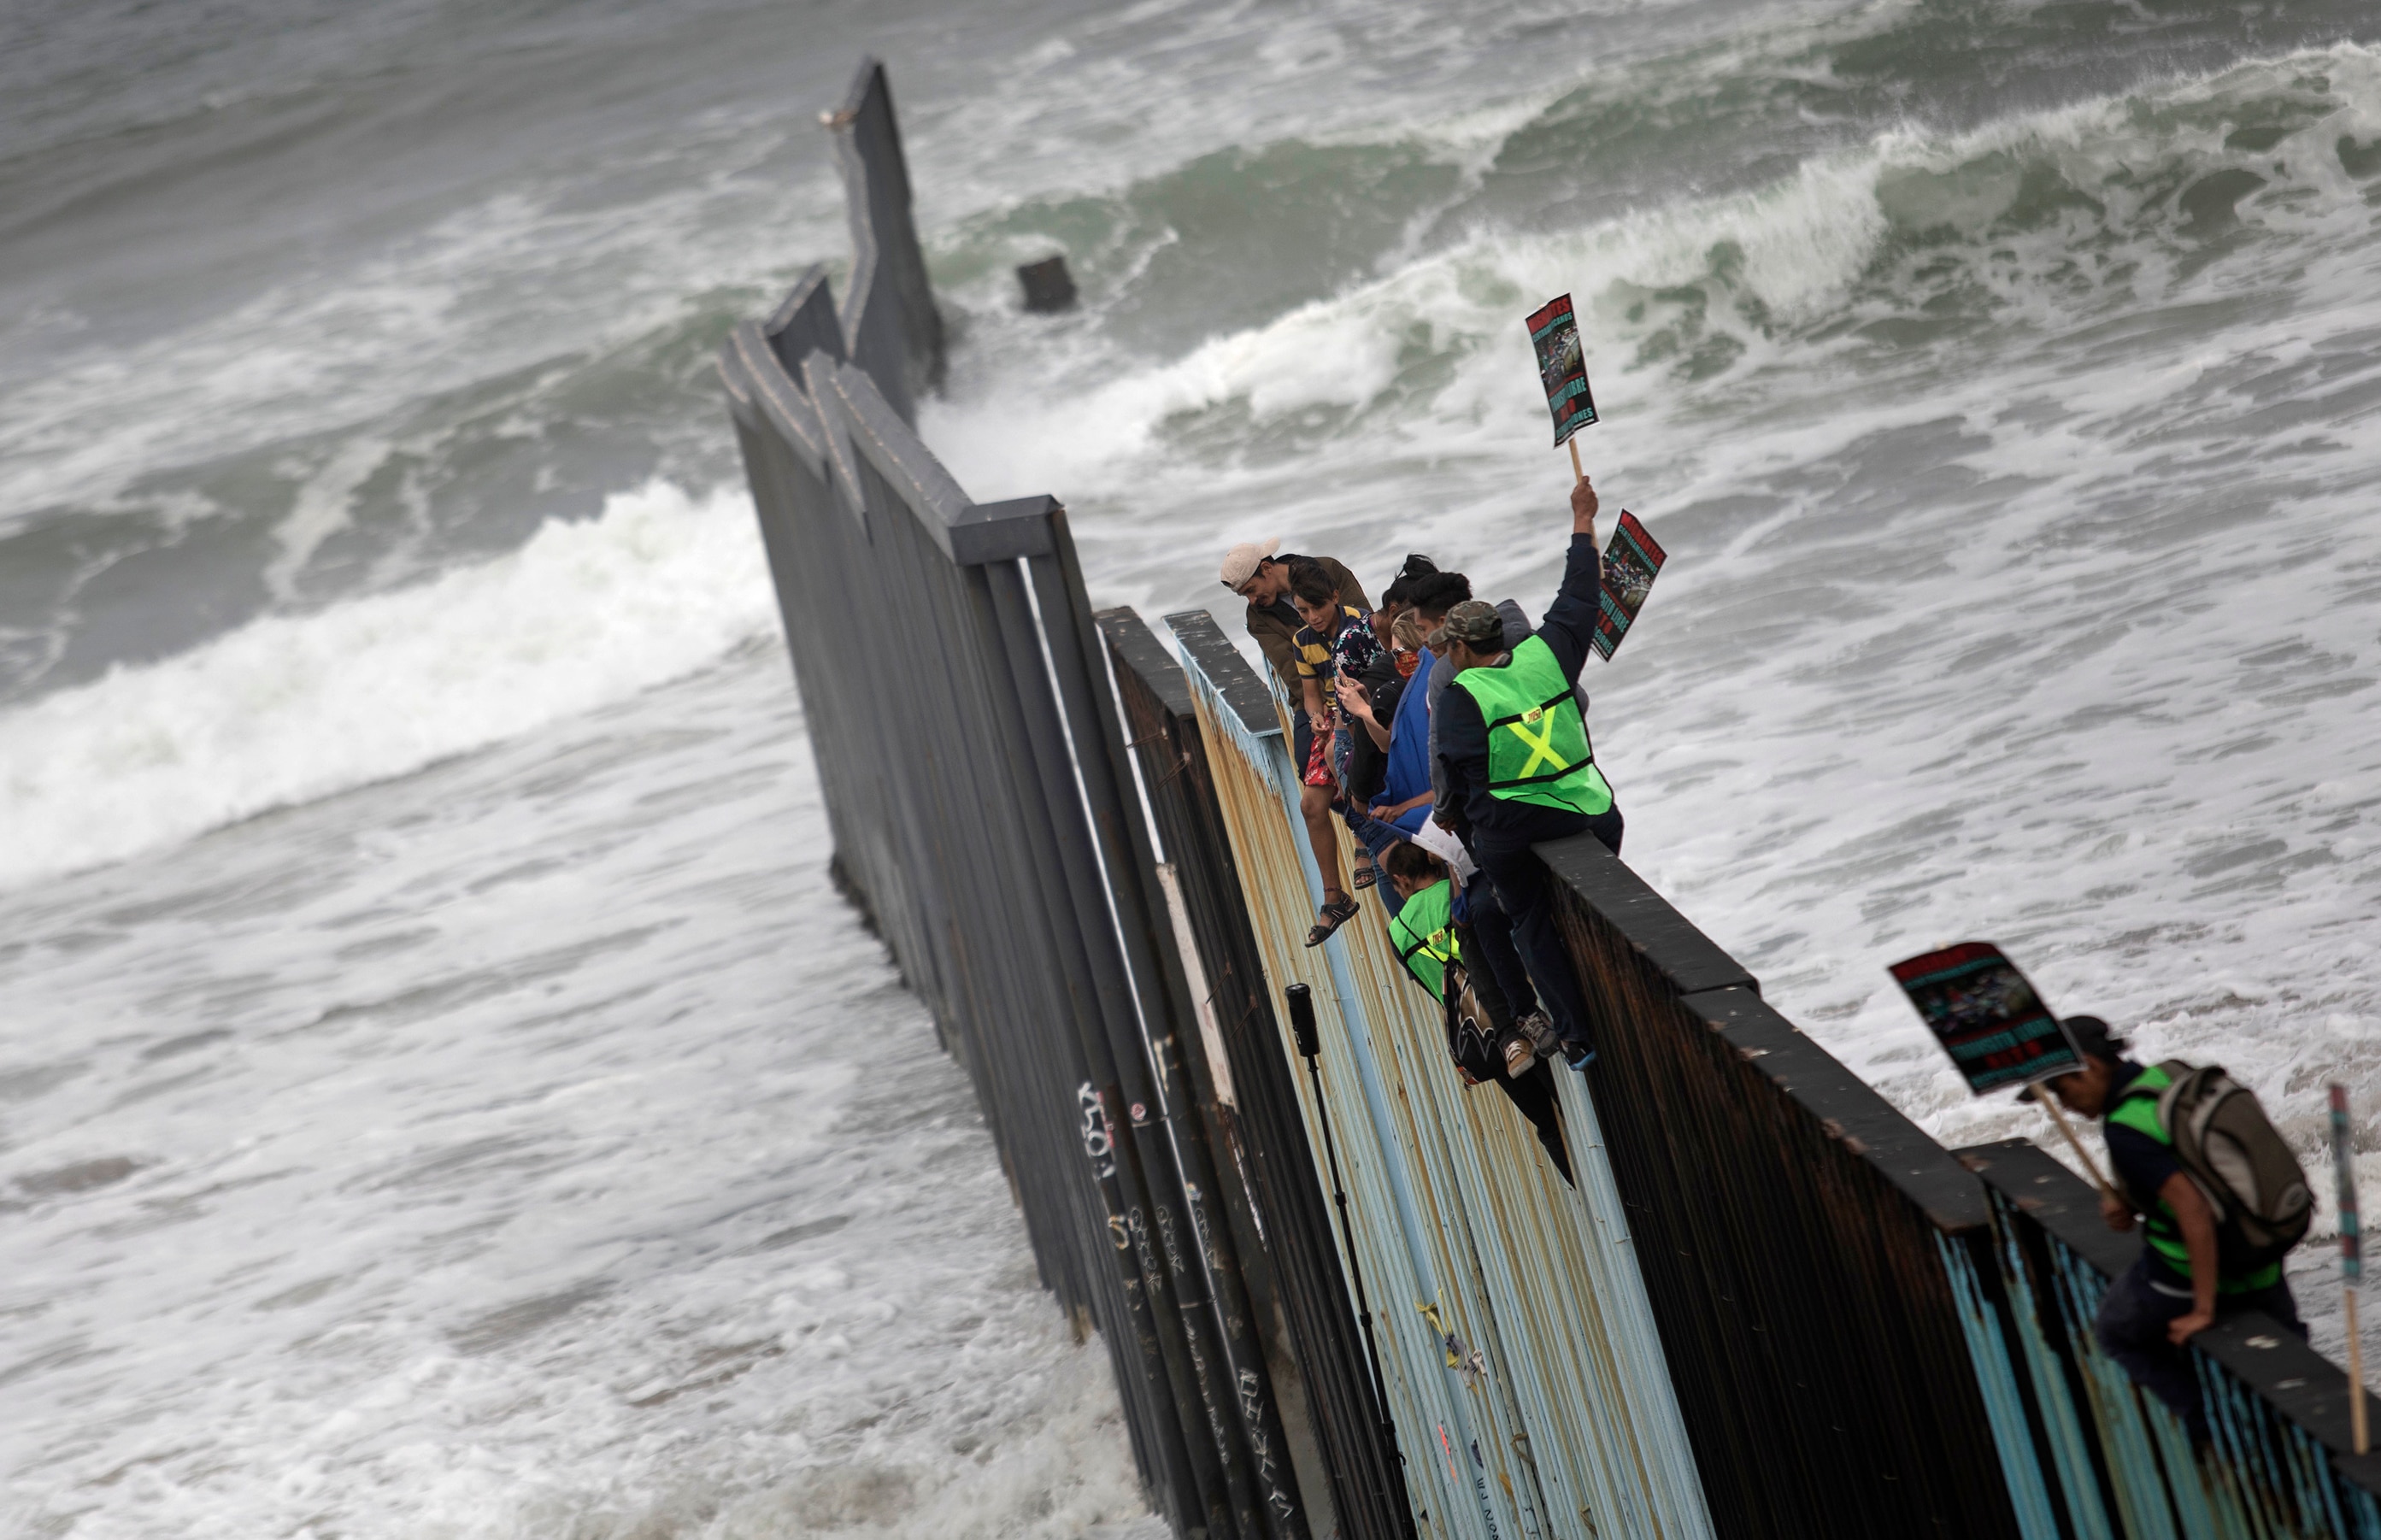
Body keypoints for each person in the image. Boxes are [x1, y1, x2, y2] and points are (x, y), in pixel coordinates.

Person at [2042, 1015, 2306, 1443]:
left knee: (2115, 1331)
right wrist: (2129, 1200)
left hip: (2187, 1272)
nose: (2064, 1103)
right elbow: (2195, 1169)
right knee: (2293, 1357)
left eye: (2061, 1089)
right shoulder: (2170, 1077)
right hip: (2259, 1249)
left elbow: (2193, 1210)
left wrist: (2202, 1309)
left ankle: (2205, 1428)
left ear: (2089, 1066)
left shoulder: (2125, 1128)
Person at [1434, 477, 1618, 1070]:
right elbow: (1581, 594)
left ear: (1461, 649)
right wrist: (1582, 520)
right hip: (1585, 807)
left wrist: (1468, 828)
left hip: (1512, 828)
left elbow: (1457, 775)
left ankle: (1576, 1036)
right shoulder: (1551, 651)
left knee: (1530, 921)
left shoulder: (1462, 692)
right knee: (1600, 870)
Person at [1382, 841, 1572, 1182]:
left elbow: (1429, 985)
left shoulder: (1397, 933)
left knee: (1546, 1124)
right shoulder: (1457, 894)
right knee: (1568, 1104)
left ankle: (1581, 1190)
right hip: (1514, 1013)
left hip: (1479, 1036)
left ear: (1401, 880)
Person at [1221, 540, 1372, 945]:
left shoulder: (1327, 569)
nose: (1253, 600)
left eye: (1252, 589)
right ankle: (1336, 890)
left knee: (1338, 756)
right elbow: (1292, 670)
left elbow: (1362, 631)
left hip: (1360, 682)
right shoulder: (1260, 618)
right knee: (1311, 785)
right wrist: (1318, 714)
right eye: (1246, 596)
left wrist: (1342, 708)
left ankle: (1366, 841)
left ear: (1268, 568)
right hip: (1312, 697)